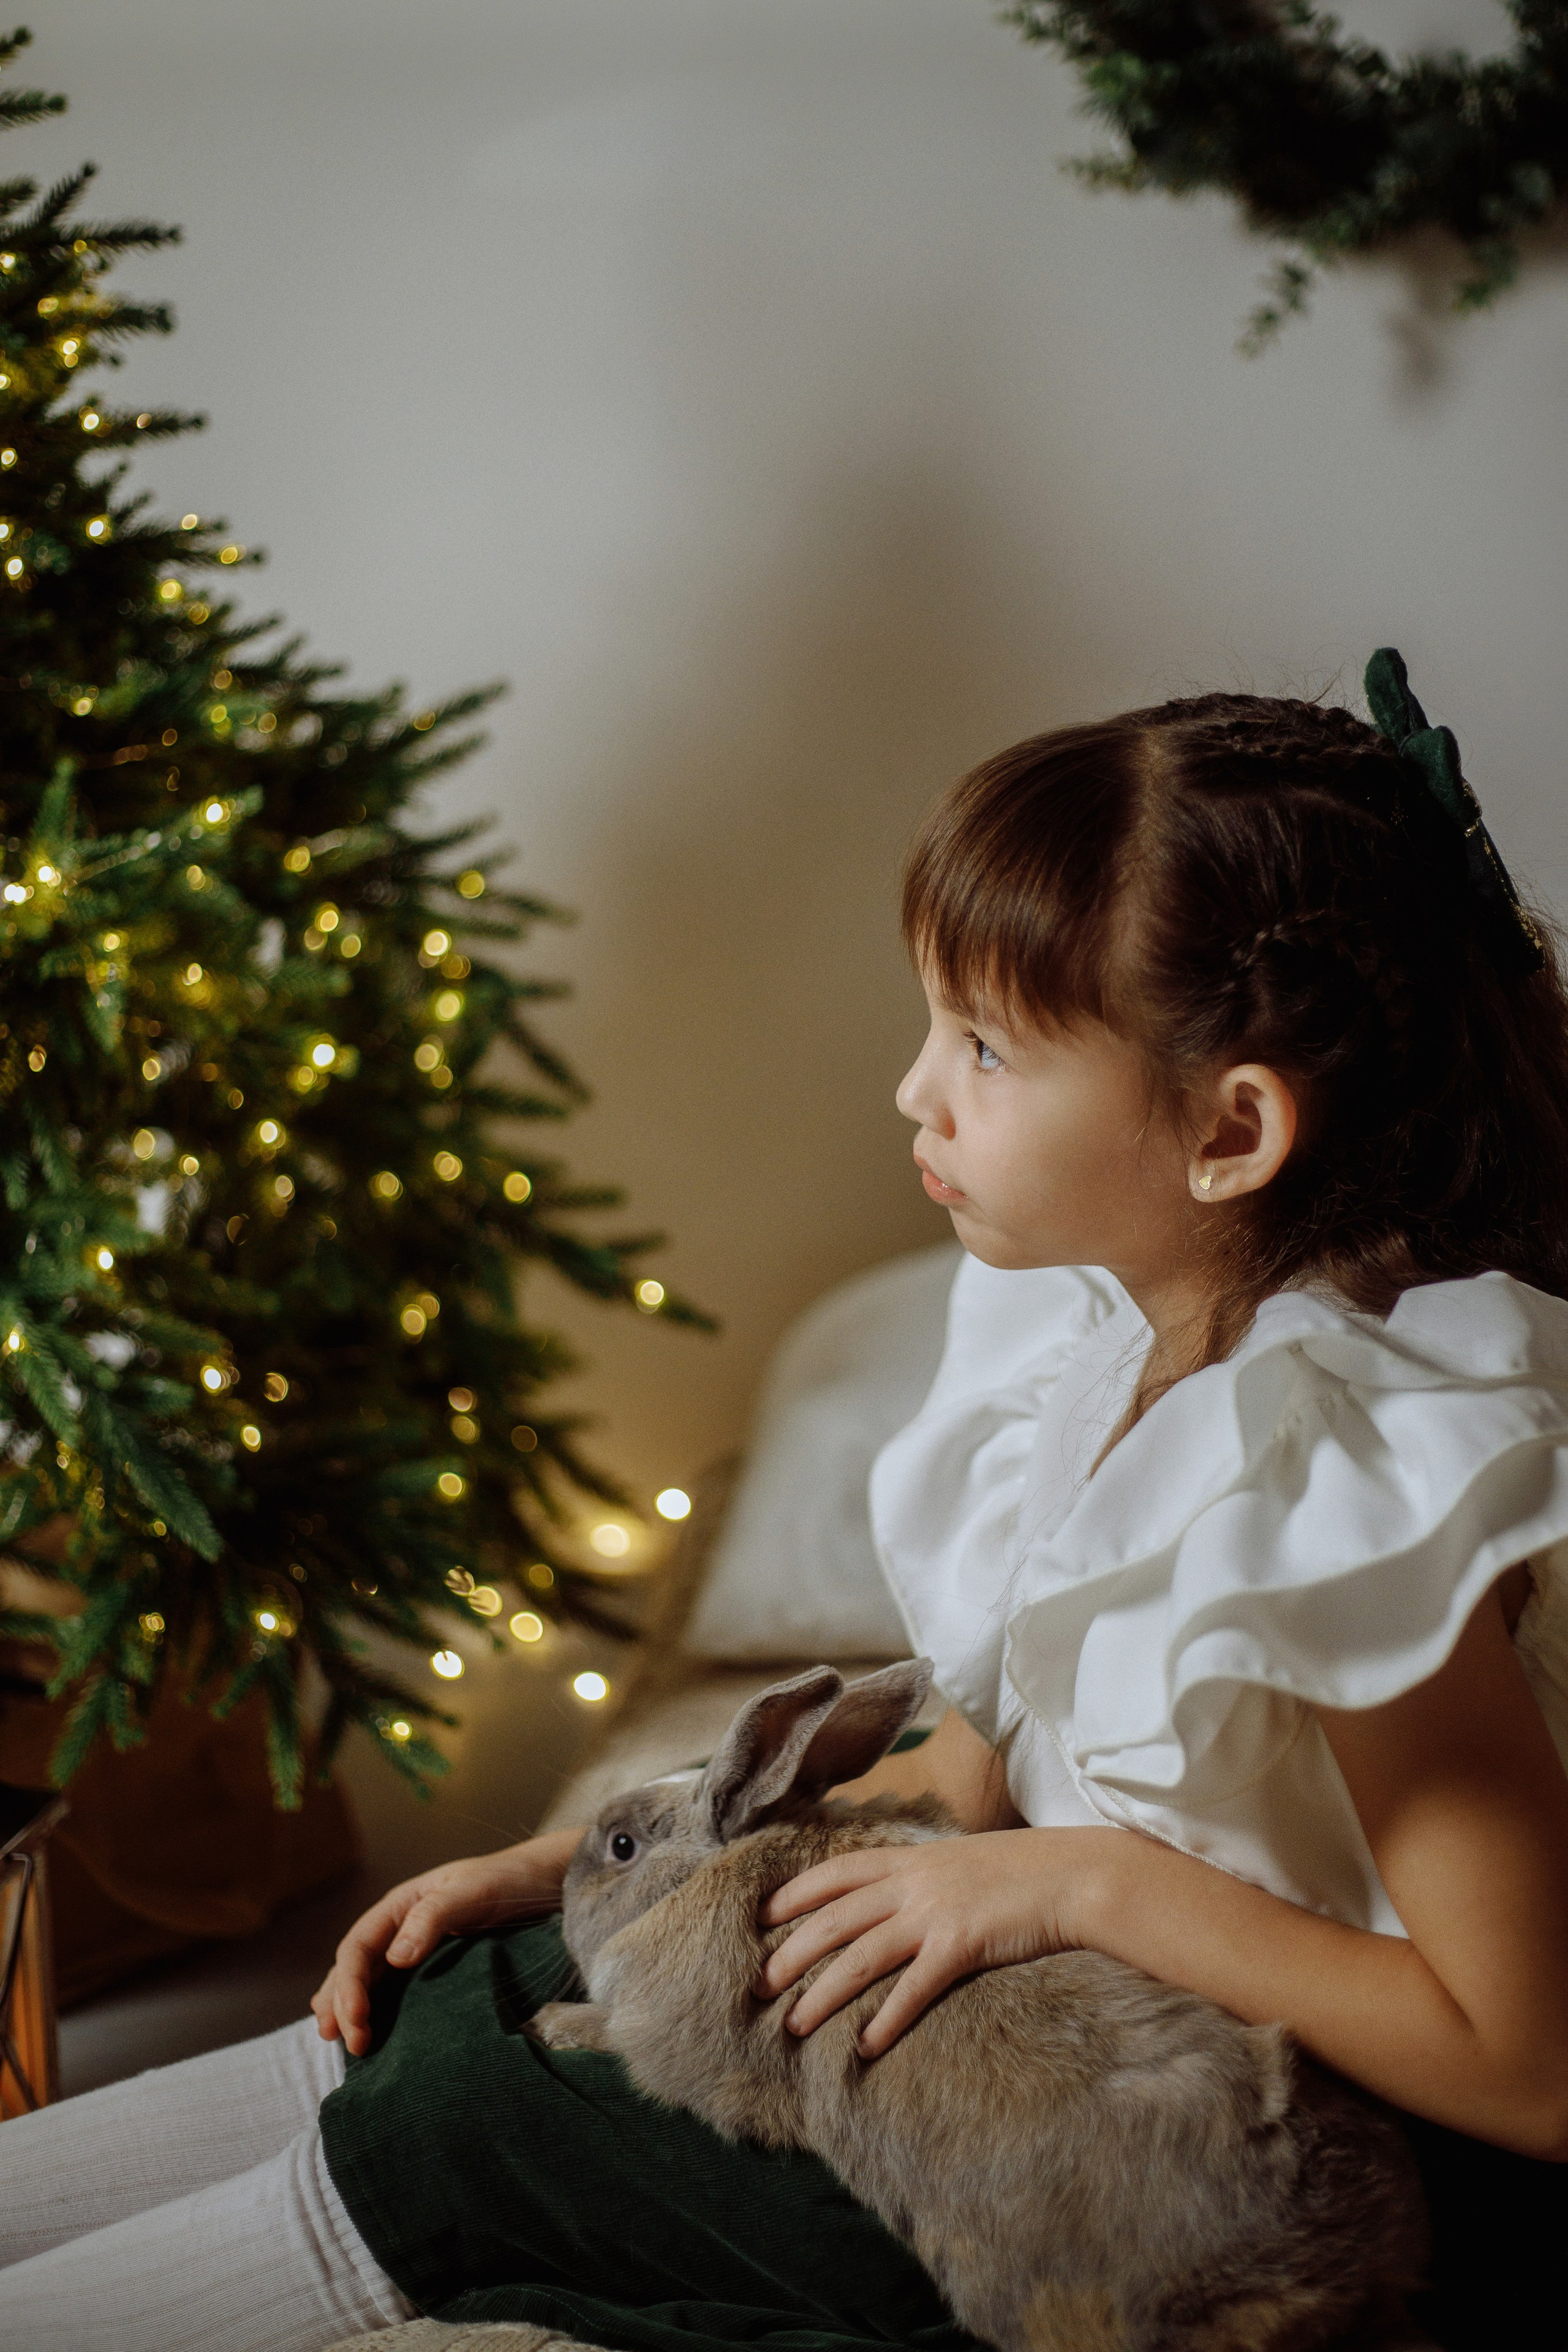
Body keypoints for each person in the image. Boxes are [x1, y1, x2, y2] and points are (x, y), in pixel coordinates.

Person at [3, 653, 1566, 2352]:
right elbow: (978, 1771)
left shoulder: (1352, 1497)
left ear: (1231, 1131)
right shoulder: (1110, 1346)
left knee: (478, 2131)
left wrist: (1084, 1886)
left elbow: (1525, 2061)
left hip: (1129, 2141)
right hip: (1004, 2005)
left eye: (984, 1046)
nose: (915, 1091)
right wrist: (567, 1866)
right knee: (472, 1997)